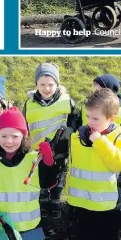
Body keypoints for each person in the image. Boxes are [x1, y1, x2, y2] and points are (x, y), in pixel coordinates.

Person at [0, 108, 63, 240]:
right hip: (2, 225)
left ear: (24, 136)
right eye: (3, 136)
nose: (9, 141)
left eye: (15, 136)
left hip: (29, 226)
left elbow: (48, 183)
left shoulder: (34, 158)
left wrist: (50, 164)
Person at [66, 88, 121, 240]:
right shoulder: (78, 136)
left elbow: (119, 164)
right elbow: (73, 168)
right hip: (82, 203)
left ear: (112, 118)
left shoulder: (119, 138)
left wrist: (100, 142)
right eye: (87, 116)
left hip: (106, 206)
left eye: (95, 118)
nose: (89, 121)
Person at [23, 63, 77, 220]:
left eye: (51, 84)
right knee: (40, 176)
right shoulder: (29, 104)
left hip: (59, 149)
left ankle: (55, 200)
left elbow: (74, 119)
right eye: (42, 84)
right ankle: (43, 200)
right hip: (37, 150)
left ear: (57, 84)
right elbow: (24, 125)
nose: (47, 88)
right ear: (36, 85)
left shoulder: (66, 101)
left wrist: (70, 130)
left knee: (58, 177)